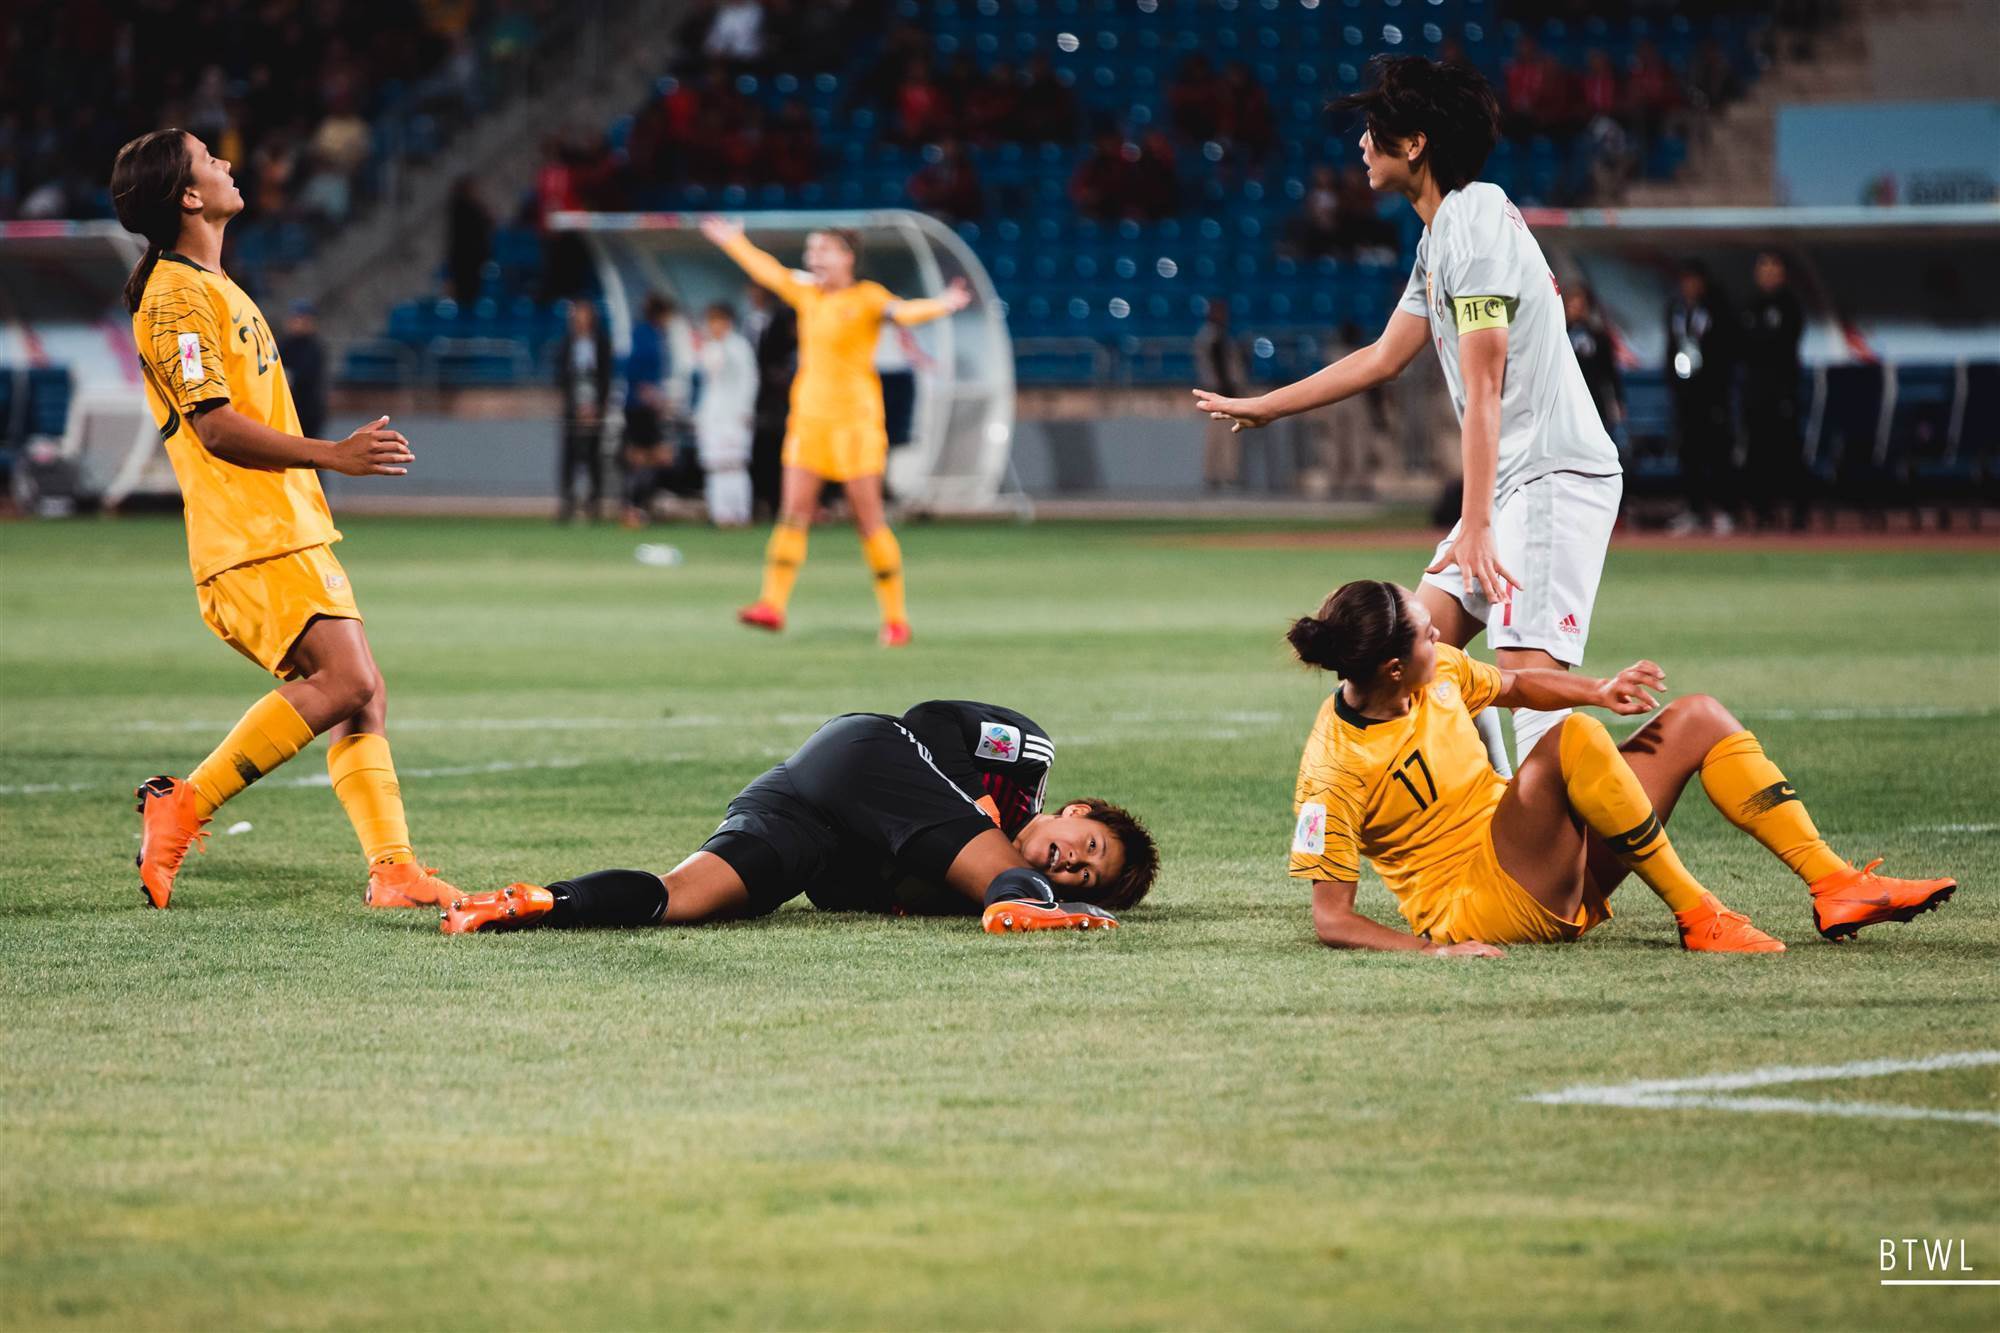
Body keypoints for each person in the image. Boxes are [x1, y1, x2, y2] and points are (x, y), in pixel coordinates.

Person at [1194, 56, 1623, 781]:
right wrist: (1267, 405)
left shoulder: (1478, 223)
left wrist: (1477, 522)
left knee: (1535, 708)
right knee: (1408, 662)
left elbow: (1484, 388)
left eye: (1373, 128)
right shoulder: (1441, 238)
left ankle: (1568, 881)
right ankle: (1488, 820)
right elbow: (1384, 357)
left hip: (1551, 480)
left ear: (1415, 142)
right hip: (1509, 487)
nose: (1362, 143)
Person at [110, 128, 459, 911]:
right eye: (209, 158)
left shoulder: (214, 284)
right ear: (188, 196)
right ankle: (184, 804)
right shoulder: (173, 297)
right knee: (347, 679)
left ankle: (393, 870)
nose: (229, 161)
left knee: (363, 693)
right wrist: (334, 455)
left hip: (287, 526)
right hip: (249, 533)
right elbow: (215, 426)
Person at [1286, 581, 1956, 954]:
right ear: (1394, 666)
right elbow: (1332, 919)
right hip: (1479, 903)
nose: (1441, 631)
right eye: (1427, 631)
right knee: (1567, 743)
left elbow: (1518, 685)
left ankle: (1836, 884)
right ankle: (1699, 914)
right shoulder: (1331, 769)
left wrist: (1600, 688)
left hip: (1539, 855)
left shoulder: (1436, 674)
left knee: (1698, 717)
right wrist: (1433, 952)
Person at [438, 700, 1159, 936]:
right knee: (1002, 875)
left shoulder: (976, 877)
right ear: (1080, 808)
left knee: (680, 899)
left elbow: (841, 890)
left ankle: (542, 901)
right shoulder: (1028, 758)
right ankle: (1021, 919)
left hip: (809, 812)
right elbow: (931, 719)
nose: (1071, 860)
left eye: (1083, 874)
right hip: (862, 752)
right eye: (1087, 842)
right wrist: (976, 803)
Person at [701, 217, 970, 646]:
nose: (813, 258)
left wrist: (944, 303)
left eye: (822, 250)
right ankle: (771, 604)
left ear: (846, 257)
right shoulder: (806, 293)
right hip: (810, 420)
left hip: (856, 425)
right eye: (811, 251)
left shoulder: (866, 298)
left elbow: (902, 312)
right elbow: (767, 271)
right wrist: (735, 242)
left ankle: (896, 619)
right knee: (793, 513)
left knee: (868, 520)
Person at [1664, 259, 1737, 535]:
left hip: (1713, 395)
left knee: (1717, 453)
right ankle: (1693, 510)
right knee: (1689, 454)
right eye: (1685, 281)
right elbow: (1671, 348)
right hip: (1685, 395)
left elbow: (1726, 351)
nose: (1689, 286)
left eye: (1694, 280)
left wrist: (1719, 389)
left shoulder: (1716, 310)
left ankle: (1723, 510)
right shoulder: (1675, 309)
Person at [1739, 251, 1807, 531]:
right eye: (1763, 267)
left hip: (1783, 391)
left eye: (1773, 267)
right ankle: (1761, 512)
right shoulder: (1749, 305)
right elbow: (1743, 346)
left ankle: (1797, 513)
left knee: (1788, 452)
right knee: (1757, 453)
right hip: (1755, 391)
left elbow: (1781, 346)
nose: (1767, 273)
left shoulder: (1790, 305)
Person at [693, 301, 759, 527]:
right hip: (713, 414)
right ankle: (720, 513)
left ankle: (739, 512)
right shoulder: (709, 348)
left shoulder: (739, 347)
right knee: (715, 465)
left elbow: (749, 380)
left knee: (734, 464)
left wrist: (745, 409)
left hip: (734, 414)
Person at [742, 282, 797, 518]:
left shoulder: (780, 319)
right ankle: (767, 501)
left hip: (781, 404)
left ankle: (778, 503)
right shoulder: (760, 323)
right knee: (766, 453)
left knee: (780, 454)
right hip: (769, 404)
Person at [554, 299, 611, 522]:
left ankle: (594, 504)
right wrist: (573, 406)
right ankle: (567, 503)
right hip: (572, 408)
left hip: (595, 408)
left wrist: (597, 407)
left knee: (594, 456)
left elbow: (606, 376)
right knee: (569, 455)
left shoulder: (602, 343)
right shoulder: (567, 343)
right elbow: (560, 377)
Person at [620, 292, 674, 526]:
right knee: (644, 457)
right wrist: (650, 393)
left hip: (646, 407)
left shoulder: (654, 334)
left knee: (650, 457)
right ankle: (633, 508)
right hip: (639, 407)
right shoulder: (645, 334)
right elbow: (634, 369)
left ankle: (639, 506)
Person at [1193, 302, 1247, 490]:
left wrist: (1237, 387)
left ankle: (1228, 474)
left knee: (1230, 435)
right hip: (1214, 394)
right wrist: (1214, 387)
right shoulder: (1207, 337)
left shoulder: (1225, 337)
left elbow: (1234, 368)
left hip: (1229, 394)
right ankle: (1212, 474)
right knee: (1215, 436)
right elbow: (1206, 366)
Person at [1563, 284, 1624, 437]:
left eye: (1578, 305)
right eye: (1570, 305)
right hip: (1567, 399)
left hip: (1593, 398)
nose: (1574, 310)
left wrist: (1618, 399)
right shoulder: (1560, 334)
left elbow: (1609, 371)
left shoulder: (1598, 336)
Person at [275, 300, 326, 441]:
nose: (298, 322)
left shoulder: (314, 348)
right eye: (296, 318)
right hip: (285, 407)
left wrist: (289, 376)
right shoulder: (282, 344)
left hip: (306, 411)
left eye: (303, 319)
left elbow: (307, 376)